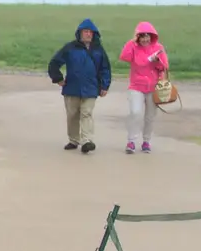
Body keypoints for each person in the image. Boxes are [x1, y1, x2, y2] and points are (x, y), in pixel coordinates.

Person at [46, 18, 111, 153]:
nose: (88, 34)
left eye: (90, 32)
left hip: (91, 88)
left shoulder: (99, 50)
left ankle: (87, 141)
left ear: (94, 34)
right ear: (80, 33)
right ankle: (73, 140)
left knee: (86, 113)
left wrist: (104, 86)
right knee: (72, 115)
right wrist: (58, 78)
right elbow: (54, 63)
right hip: (72, 87)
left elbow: (105, 69)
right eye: (85, 31)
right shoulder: (70, 48)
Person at [119, 22, 169, 153]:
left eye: (147, 36)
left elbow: (165, 66)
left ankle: (146, 141)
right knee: (135, 113)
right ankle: (131, 141)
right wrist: (132, 42)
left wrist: (157, 62)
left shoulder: (158, 47)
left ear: (152, 36)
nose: (145, 39)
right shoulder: (134, 47)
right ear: (138, 37)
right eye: (142, 37)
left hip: (153, 87)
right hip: (136, 86)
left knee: (150, 116)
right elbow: (124, 56)